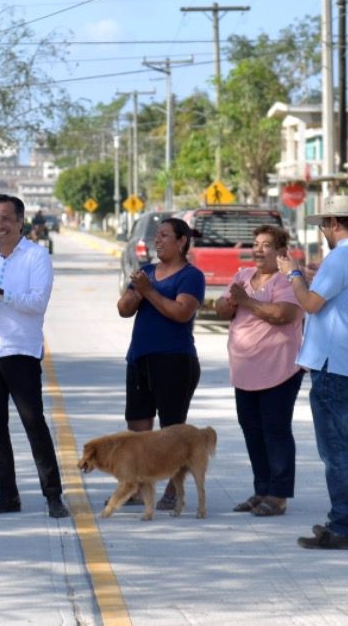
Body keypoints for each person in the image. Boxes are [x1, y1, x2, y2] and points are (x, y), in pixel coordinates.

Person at [277, 194, 348, 551]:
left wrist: (292, 274)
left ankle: (343, 527)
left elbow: (310, 303)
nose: (323, 231)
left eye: (324, 224)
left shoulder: (341, 257)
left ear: (335, 224)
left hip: (333, 365)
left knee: (337, 451)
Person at [0, 194, 70, 519]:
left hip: (20, 352)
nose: (0, 226)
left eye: (6, 219)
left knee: (33, 423)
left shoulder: (37, 257)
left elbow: (37, 302)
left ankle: (53, 495)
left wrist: (0, 295)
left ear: (21, 221)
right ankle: (7, 495)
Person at [116, 216, 205, 511]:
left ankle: (172, 490)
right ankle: (140, 489)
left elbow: (181, 312)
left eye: (165, 235)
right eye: (157, 235)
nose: (158, 240)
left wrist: (150, 291)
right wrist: (140, 288)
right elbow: (123, 309)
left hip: (175, 361)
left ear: (182, 242)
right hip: (140, 358)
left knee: (171, 431)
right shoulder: (147, 272)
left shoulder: (191, 276)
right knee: (138, 426)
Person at [215, 224, 304, 518]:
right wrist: (225, 303)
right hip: (245, 370)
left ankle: (278, 495)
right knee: (252, 431)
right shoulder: (243, 277)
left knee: (275, 431)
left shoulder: (286, 279)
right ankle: (261, 489)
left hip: (279, 369)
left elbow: (283, 314)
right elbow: (222, 307)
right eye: (255, 244)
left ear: (281, 252)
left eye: (266, 245)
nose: (258, 249)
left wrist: (246, 301)